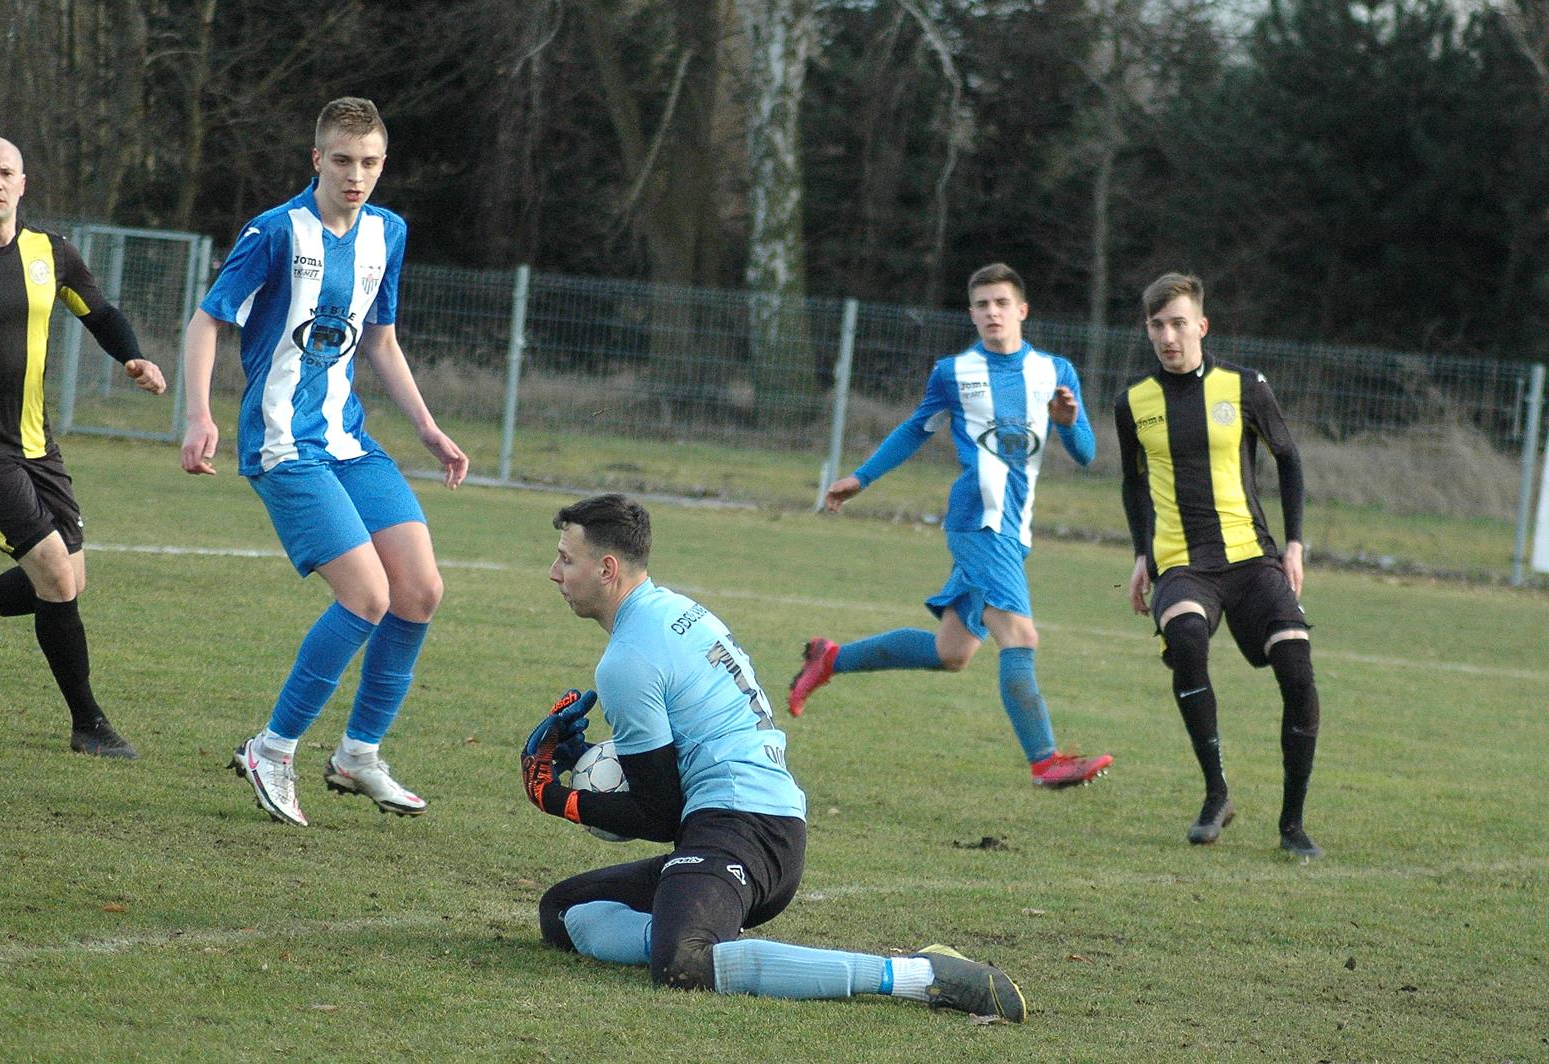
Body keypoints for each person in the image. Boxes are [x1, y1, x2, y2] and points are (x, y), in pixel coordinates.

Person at [522, 493, 1026, 1020]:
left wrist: (555, 797)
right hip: (758, 822)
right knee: (563, 911)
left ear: (606, 568)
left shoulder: (626, 660)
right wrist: (582, 759)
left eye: (566, 558)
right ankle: (699, 924)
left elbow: (658, 812)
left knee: (683, 964)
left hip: (743, 828)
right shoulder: (676, 610)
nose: (555, 572)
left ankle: (921, 975)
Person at [179, 98, 469, 827]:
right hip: (284, 445)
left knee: (420, 591)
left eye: (370, 162)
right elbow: (208, 321)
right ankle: (271, 749)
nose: (357, 175)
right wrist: (198, 414)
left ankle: (357, 756)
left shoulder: (387, 233)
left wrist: (429, 428)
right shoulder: (274, 232)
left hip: (349, 443)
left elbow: (380, 340)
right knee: (366, 596)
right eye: (343, 160)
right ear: (317, 160)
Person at [789, 263, 1113, 789]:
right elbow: (915, 429)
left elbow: (1086, 453)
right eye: (982, 304)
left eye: (1001, 303)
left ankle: (830, 659)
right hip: (975, 519)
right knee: (1019, 634)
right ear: (971, 313)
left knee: (953, 653)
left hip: (1014, 525)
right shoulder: (953, 372)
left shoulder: (1055, 372)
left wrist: (1068, 421)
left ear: (1022, 311)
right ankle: (1045, 760)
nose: (992, 312)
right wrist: (861, 477)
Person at [0, 136, 167, 759]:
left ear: (23, 183)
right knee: (52, 573)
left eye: (7, 172)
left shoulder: (53, 253)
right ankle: (88, 723)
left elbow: (99, 312)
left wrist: (134, 356)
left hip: (38, 442)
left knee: (70, 577)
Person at [1114, 272, 1323, 858]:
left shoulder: (1245, 385)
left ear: (1201, 325)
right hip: (1183, 563)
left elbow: (1289, 460)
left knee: (1297, 666)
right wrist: (1140, 553)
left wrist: (1295, 544)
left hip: (1252, 559)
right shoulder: (1133, 402)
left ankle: (1293, 824)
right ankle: (1216, 793)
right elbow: (1132, 485)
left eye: (1178, 322)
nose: (1167, 335)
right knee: (1184, 638)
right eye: (1157, 325)